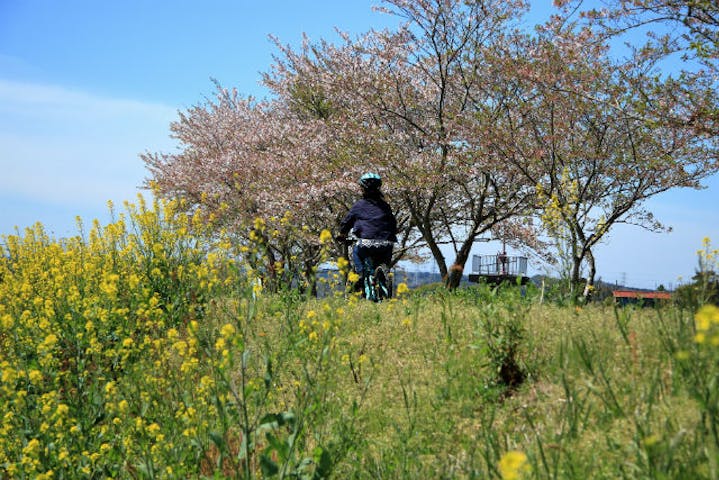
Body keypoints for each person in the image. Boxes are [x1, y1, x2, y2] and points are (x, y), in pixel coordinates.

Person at [337, 173, 397, 285]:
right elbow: (393, 223)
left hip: (366, 243)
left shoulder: (359, 205)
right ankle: (382, 280)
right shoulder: (385, 206)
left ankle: (360, 274)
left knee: (356, 252)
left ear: (363, 188)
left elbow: (346, 222)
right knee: (383, 261)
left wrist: (342, 234)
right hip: (386, 242)